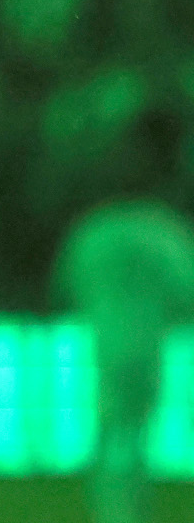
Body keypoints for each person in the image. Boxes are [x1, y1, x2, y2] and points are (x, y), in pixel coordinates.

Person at [56, 199, 194, 523]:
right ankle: (128, 507)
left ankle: (106, 504)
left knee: (109, 427)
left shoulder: (96, 234)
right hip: (145, 347)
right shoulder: (164, 237)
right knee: (136, 433)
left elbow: (67, 283)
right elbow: (186, 294)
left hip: (108, 345)